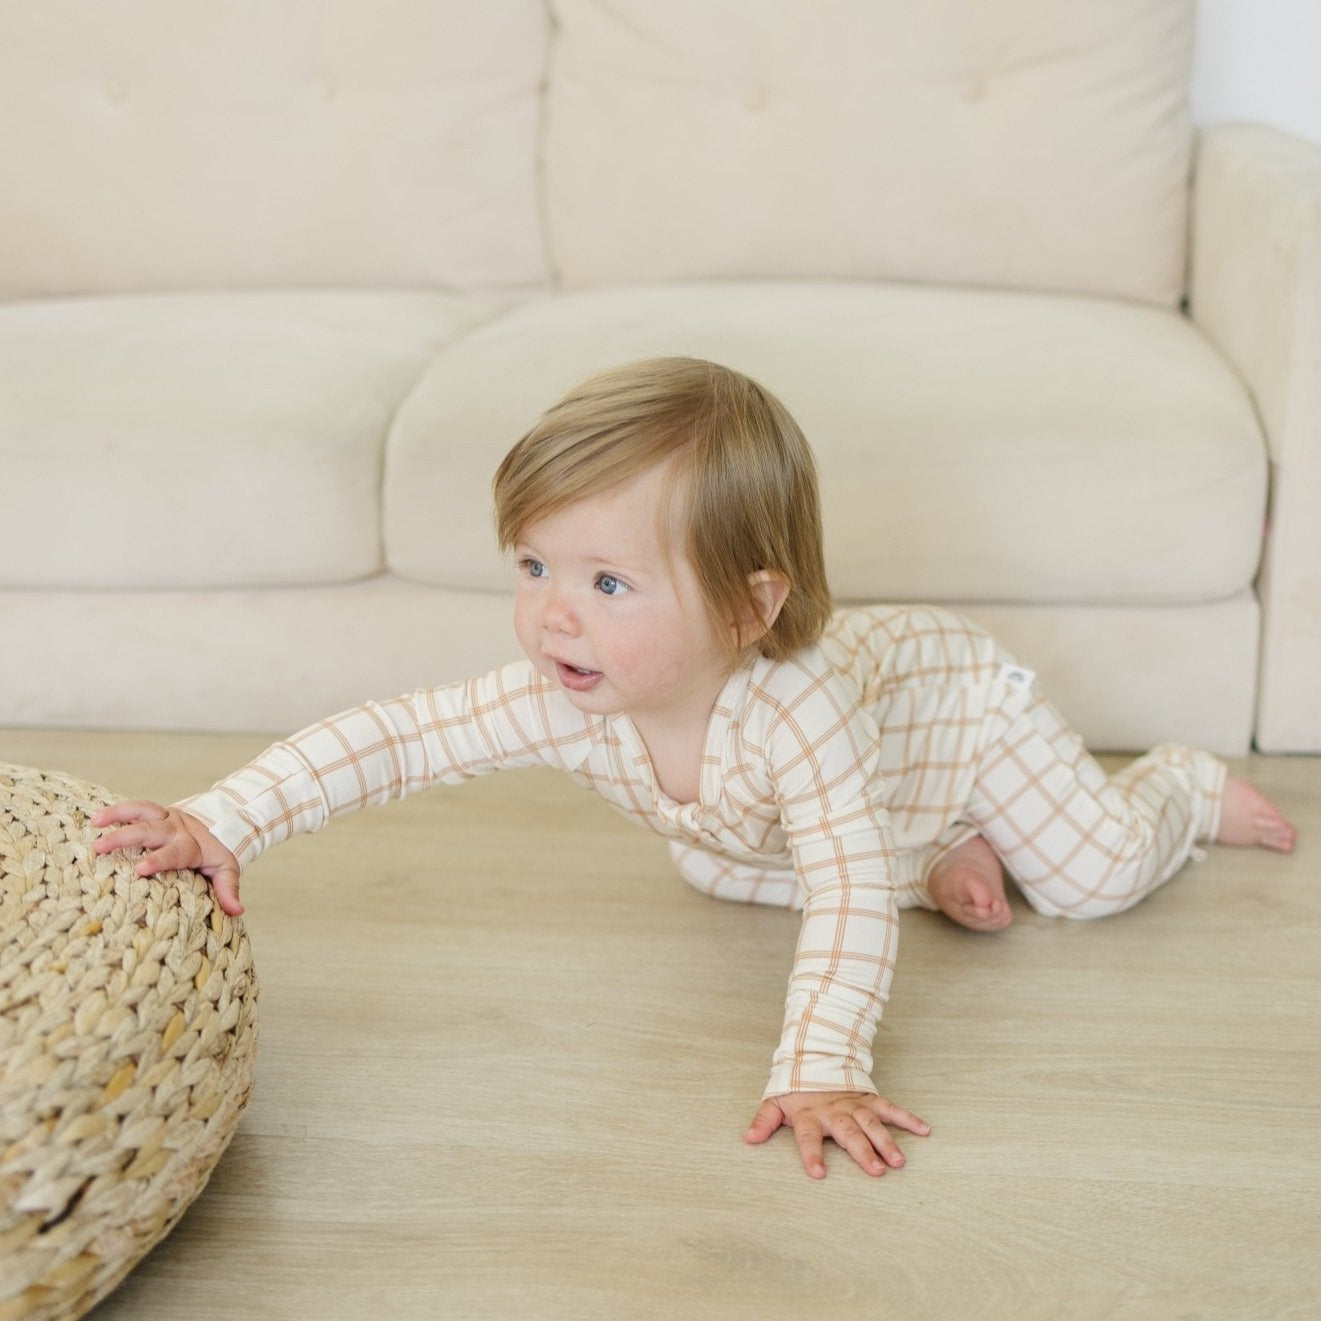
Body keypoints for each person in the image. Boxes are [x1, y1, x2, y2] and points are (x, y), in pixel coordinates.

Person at [92, 357, 1297, 1181]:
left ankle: (1176, 791)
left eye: (607, 583)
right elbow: (398, 737)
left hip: (956, 721)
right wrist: (224, 817)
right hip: (834, 806)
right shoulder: (575, 691)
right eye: (533, 566)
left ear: (746, 604)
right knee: (711, 863)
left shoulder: (798, 709)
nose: (554, 618)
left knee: (1085, 878)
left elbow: (836, 897)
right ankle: (932, 855)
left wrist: (819, 1065)